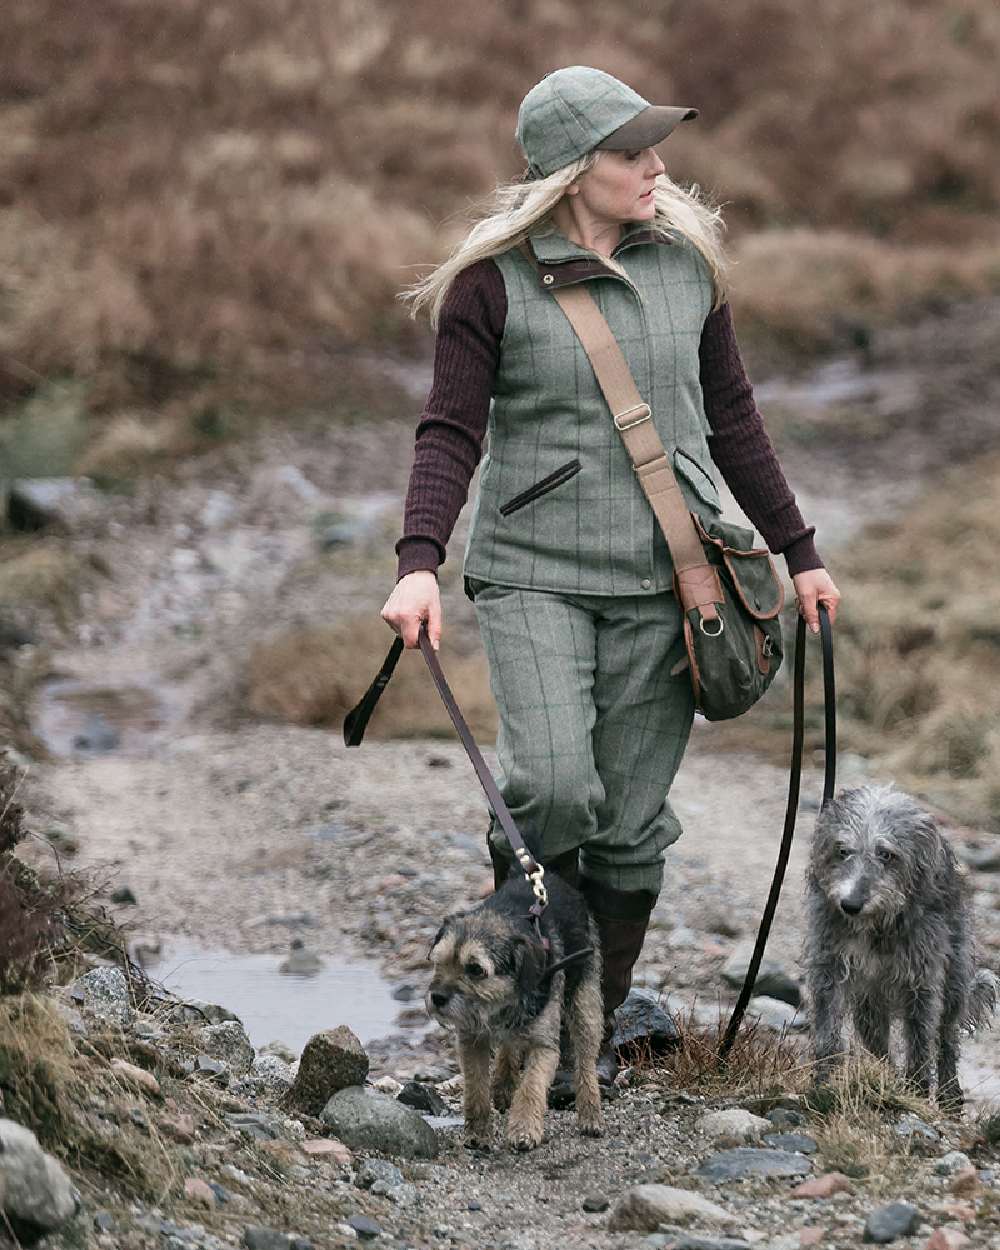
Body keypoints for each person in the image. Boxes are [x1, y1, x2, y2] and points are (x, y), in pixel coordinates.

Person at [381, 66, 841, 1077]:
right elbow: (446, 431)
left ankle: (587, 1021)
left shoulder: (685, 268)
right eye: (632, 152)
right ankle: (515, 993)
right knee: (550, 786)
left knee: (631, 832)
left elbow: (733, 419)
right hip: (533, 575)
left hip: (675, 588)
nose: (657, 166)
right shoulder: (490, 287)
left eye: (653, 148)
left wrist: (798, 551)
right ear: (570, 169)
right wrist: (419, 563)